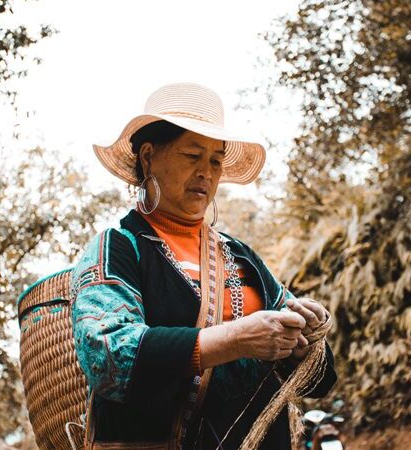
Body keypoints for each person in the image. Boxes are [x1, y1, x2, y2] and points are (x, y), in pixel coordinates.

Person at [71, 82, 336, 449]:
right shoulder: (118, 248)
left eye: (215, 160)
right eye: (192, 155)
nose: (207, 173)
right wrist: (237, 339)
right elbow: (107, 354)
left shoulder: (241, 256)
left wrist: (304, 342)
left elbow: (320, 382)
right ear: (149, 156)